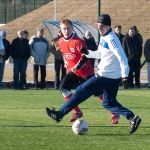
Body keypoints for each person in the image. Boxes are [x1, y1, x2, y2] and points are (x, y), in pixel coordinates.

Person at [45, 14, 142, 134]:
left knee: (81, 90)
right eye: (98, 25)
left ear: (108, 26)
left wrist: (125, 76)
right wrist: (88, 53)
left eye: (102, 26)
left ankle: (59, 114)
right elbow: (100, 54)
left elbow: (122, 58)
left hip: (105, 76)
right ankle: (133, 118)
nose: (100, 28)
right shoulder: (104, 36)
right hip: (112, 77)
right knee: (108, 102)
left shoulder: (111, 39)